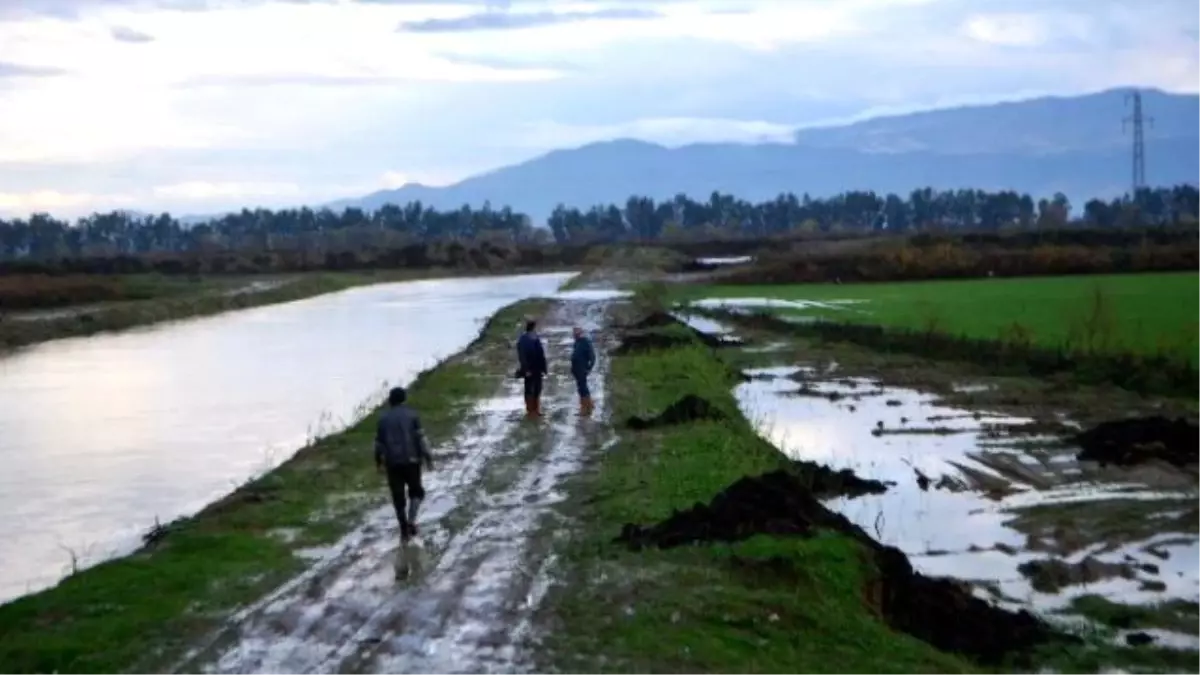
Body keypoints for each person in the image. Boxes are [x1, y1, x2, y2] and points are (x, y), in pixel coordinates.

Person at [374, 386, 433, 542]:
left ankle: (403, 527)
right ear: (404, 399)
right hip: (412, 460)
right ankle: (412, 521)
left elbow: (379, 444)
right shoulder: (412, 416)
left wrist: (379, 462)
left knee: (398, 496)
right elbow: (421, 439)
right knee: (416, 492)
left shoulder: (383, 420)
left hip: (392, 463)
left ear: (390, 400)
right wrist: (428, 457)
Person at [516, 319, 548, 418]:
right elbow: (522, 356)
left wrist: (544, 368)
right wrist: (525, 370)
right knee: (529, 390)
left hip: (537, 368)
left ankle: (536, 410)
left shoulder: (536, 338)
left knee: (538, 389)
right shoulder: (523, 339)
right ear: (532, 328)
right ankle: (530, 411)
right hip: (529, 368)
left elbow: (541, 354)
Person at [570, 326, 596, 416]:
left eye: (576, 333)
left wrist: (589, 368)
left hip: (582, 369)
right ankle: (589, 404)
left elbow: (592, 356)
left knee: (582, 388)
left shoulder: (585, 342)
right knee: (581, 387)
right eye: (574, 333)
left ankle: (584, 408)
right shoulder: (576, 343)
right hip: (576, 369)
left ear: (580, 333)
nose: (575, 335)